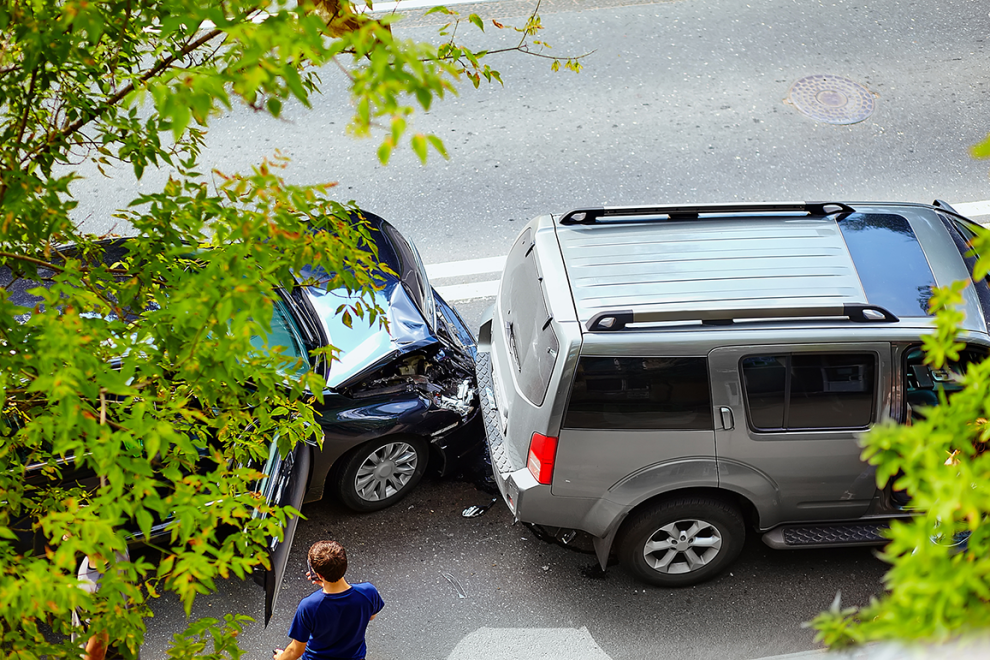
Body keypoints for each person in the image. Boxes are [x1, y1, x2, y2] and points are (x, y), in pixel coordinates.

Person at [274, 540, 384, 660]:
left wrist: (280, 657)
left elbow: (296, 650)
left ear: (319, 575)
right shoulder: (368, 592)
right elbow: (371, 616)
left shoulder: (309, 606)